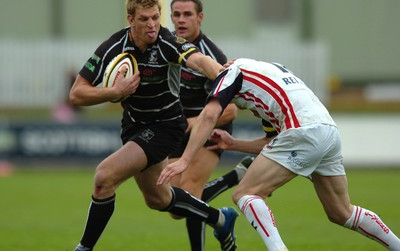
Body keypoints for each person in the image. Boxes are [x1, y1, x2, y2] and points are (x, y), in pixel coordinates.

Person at [158, 58, 400, 250]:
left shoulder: (228, 74)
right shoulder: (268, 70)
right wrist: (233, 144)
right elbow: (273, 142)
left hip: (303, 131)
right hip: (328, 131)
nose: (241, 107)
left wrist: (185, 160)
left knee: (246, 193)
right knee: (341, 212)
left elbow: (209, 115)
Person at [70, 0, 239, 251]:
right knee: (158, 199)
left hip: (166, 126)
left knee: (104, 177)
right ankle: (220, 219)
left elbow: (200, 60)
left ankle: (83, 247)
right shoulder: (114, 46)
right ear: (130, 20)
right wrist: (113, 92)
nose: (152, 25)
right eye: (145, 19)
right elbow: (77, 93)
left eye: (156, 18)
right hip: (134, 125)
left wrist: (222, 75)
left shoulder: (167, 41)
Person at [168, 0, 254, 251]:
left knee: (191, 192)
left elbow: (230, 111)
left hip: (210, 127)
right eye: (176, 14)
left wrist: (195, 123)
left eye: (187, 14)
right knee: (173, 204)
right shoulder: (166, 46)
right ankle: (234, 178)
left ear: (200, 17)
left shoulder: (212, 56)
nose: (181, 20)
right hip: (177, 129)